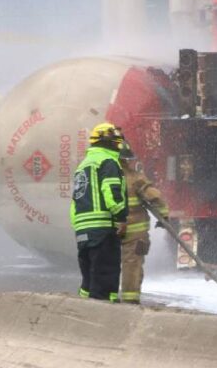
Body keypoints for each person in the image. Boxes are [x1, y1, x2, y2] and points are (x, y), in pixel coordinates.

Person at [71, 122, 128, 302]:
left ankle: (82, 315)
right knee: (105, 278)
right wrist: (120, 218)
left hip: (83, 232)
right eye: (116, 142)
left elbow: (76, 201)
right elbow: (111, 192)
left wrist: (79, 227)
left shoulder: (84, 165)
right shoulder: (108, 161)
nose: (119, 146)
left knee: (88, 281)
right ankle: (104, 320)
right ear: (109, 142)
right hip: (103, 229)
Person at [118, 142, 169, 305]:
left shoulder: (101, 177)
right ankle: (130, 300)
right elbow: (154, 197)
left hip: (108, 229)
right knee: (132, 266)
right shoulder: (135, 177)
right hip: (134, 232)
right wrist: (164, 215)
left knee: (107, 264)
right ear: (126, 160)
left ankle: (104, 298)